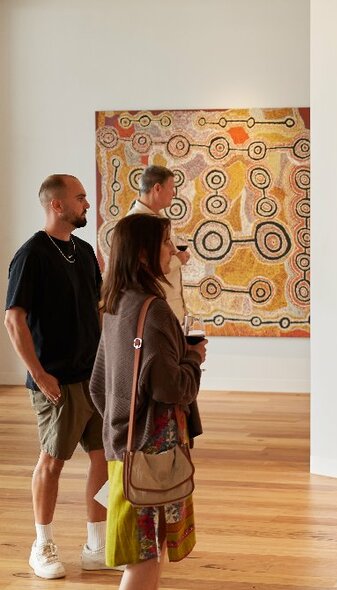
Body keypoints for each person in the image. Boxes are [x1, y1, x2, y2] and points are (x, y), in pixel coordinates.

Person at [4, 174, 117, 578]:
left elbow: (99, 310)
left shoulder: (85, 251)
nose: (87, 204)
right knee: (52, 462)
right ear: (57, 205)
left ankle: (96, 543)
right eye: (80, 198)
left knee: (104, 459)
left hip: (94, 377)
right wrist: (39, 373)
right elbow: (13, 319)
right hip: (56, 381)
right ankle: (42, 545)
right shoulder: (31, 254)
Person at [90, 213, 206, 590]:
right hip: (153, 453)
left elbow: (98, 384)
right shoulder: (152, 309)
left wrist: (119, 424)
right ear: (143, 254)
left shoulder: (115, 303)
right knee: (145, 555)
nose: (173, 250)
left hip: (122, 445)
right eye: (166, 242)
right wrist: (194, 359)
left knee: (142, 551)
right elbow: (171, 390)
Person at [128, 165, 189, 323]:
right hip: (155, 314)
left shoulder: (156, 219)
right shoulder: (135, 223)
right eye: (171, 187)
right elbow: (138, 270)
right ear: (157, 188)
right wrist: (178, 260)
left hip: (169, 311)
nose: (174, 193)